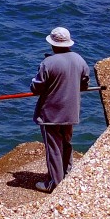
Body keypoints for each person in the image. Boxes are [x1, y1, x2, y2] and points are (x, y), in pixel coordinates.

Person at [30, 26, 90, 192]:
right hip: (71, 111)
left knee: (54, 148)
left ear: (53, 44)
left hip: (51, 113)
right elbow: (85, 83)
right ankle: (67, 176)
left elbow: (36, 88)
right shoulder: (80, 60)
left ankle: (54, 184)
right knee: (66, 143)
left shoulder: (48, 63)